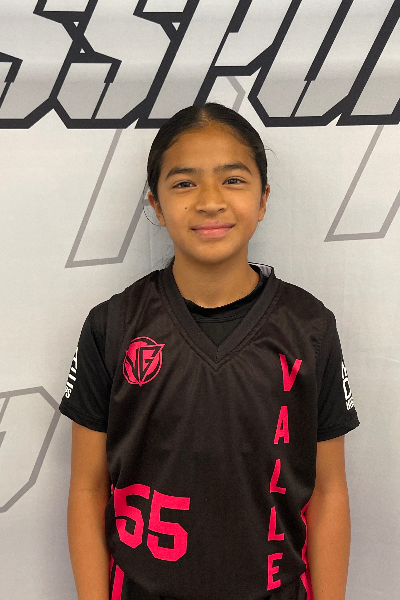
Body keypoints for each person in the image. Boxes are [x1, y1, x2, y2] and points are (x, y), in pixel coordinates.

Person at [59, 103, 359, 600]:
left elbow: (329, 491)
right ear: (156, 204)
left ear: (263, 199)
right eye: (184, 183)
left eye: (233, 180)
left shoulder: (310, 328)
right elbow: (88, 489)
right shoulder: (112, 326)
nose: (210, 201)